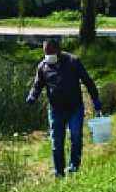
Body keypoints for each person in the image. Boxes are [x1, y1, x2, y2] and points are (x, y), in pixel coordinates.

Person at [26, 38, 102, 178]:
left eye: (50, 52)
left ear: (58, 50)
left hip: (75, 108)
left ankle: (74, 166)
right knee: (57, 141)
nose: (48, 55)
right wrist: (32, 96)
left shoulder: (73, 62)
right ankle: (59, 171)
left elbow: (88, 81)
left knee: (75, 135)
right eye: (45, 53)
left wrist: (95, 99)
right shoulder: (43, 66)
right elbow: (37, 85)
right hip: (56, 110)